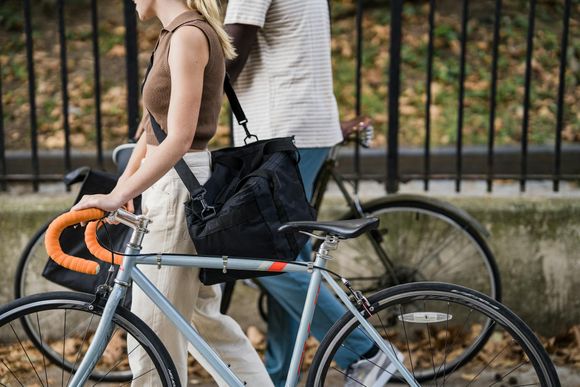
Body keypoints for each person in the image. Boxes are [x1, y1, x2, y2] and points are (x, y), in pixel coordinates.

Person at [71, 1, 273, 386]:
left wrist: (117, 197)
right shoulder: (173, 35)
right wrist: (124, 188)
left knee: (151, 335)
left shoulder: (189, 36)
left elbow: (179, 138)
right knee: (202, 322)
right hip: (173, 182)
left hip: (180, 186)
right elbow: (154, 131)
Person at [224, 1, 401, 386]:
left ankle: (365, 351)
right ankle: (277, 375)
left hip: (280, 130)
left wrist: (176, 107)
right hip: (301, 124)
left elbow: (231, 52)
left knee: (258, 254)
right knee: (289, 256)